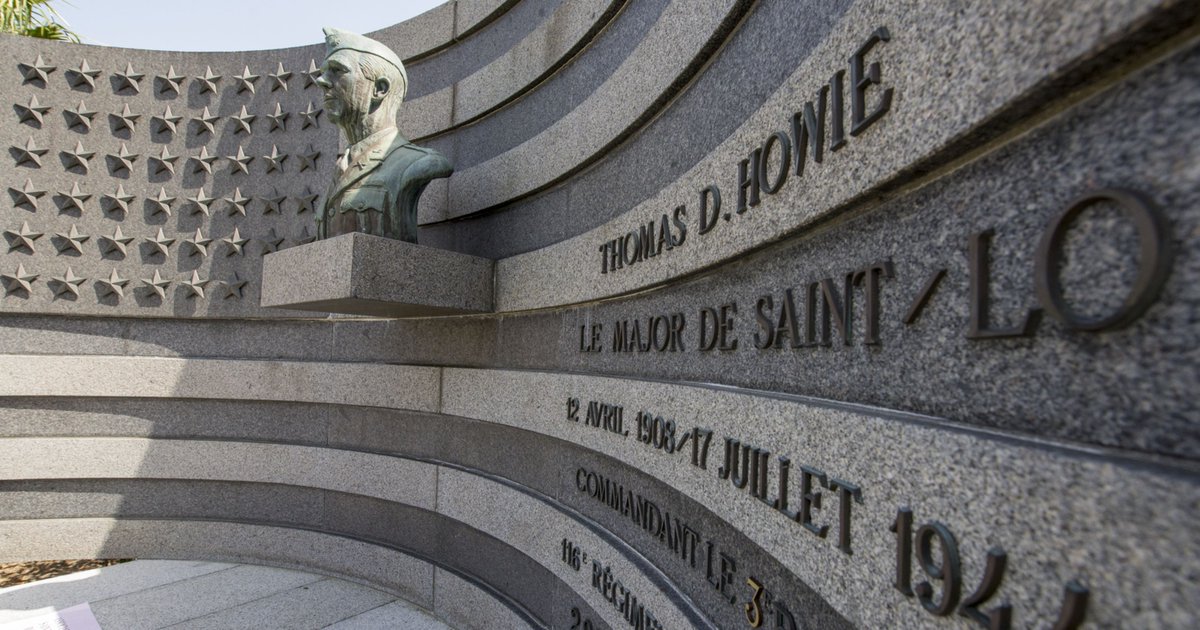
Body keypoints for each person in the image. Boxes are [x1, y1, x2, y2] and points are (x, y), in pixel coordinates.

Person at [315, 27, 452, 243]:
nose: (321, 81)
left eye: (337, 70)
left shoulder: (416, 163)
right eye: (324, 72)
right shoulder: (340, 168)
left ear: (379, 88)